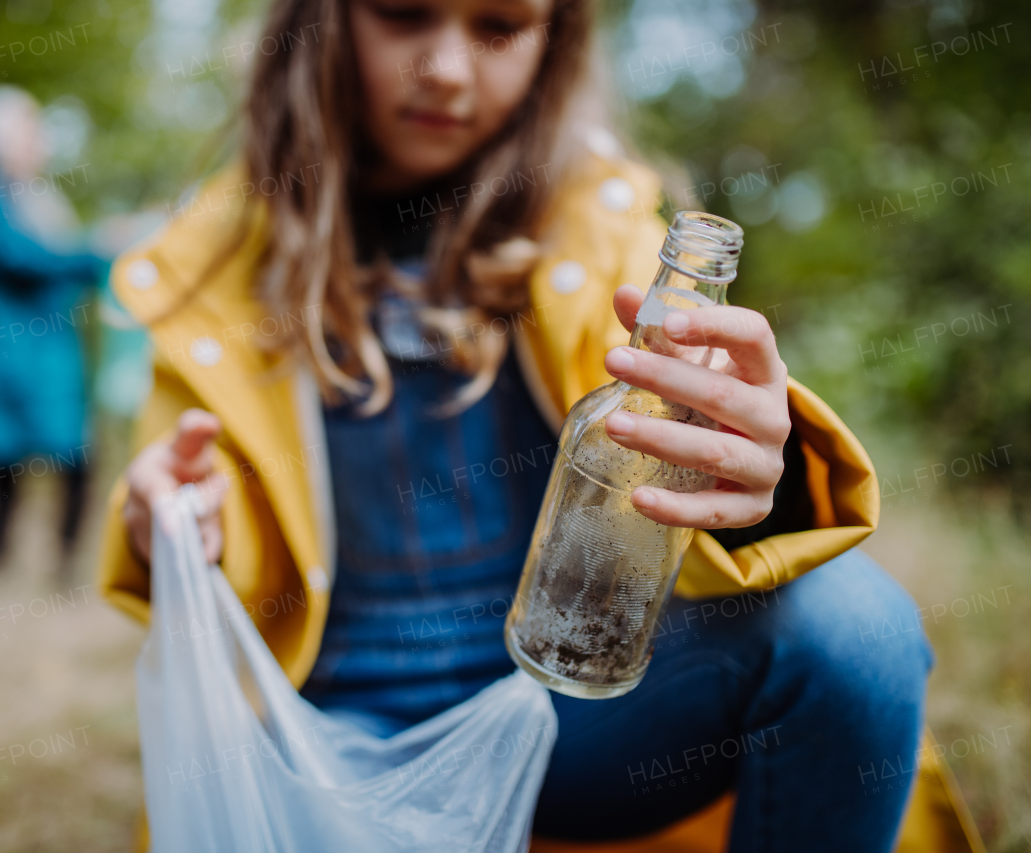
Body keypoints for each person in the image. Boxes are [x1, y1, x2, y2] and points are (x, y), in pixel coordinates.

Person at [98, 0, 977, 850]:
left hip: (566, 716)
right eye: (404, 12)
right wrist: (172, 519)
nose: (445, 70)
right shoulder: (210, 266)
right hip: (331, 742)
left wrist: (752, 471)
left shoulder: (604, 235)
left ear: (556, 41)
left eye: (499, 24)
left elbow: (691, 448)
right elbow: (185, 495)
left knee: (857, 629)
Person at [0, 86, 108, 576]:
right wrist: (102, 252)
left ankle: (63, 567)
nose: (39, 140)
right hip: (5, 357)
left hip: (50, 355)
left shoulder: (39, 197)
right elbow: (26, 260)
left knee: (75, 458)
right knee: (5, 467)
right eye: (28, 129)